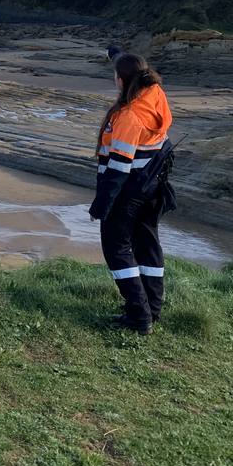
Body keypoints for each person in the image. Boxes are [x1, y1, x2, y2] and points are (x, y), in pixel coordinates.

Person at [88, 53, 173, 334]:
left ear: (121, 80)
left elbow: (119, 167)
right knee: (147, 245)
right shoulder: (154, 92)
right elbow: (139, 68)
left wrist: (101, 205)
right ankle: (153, 307)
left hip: (129, 190)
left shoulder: (129, 117)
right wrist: (117, 53)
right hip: (153, 186)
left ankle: (139, 315)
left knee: (117, 249)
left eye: (115, 75)